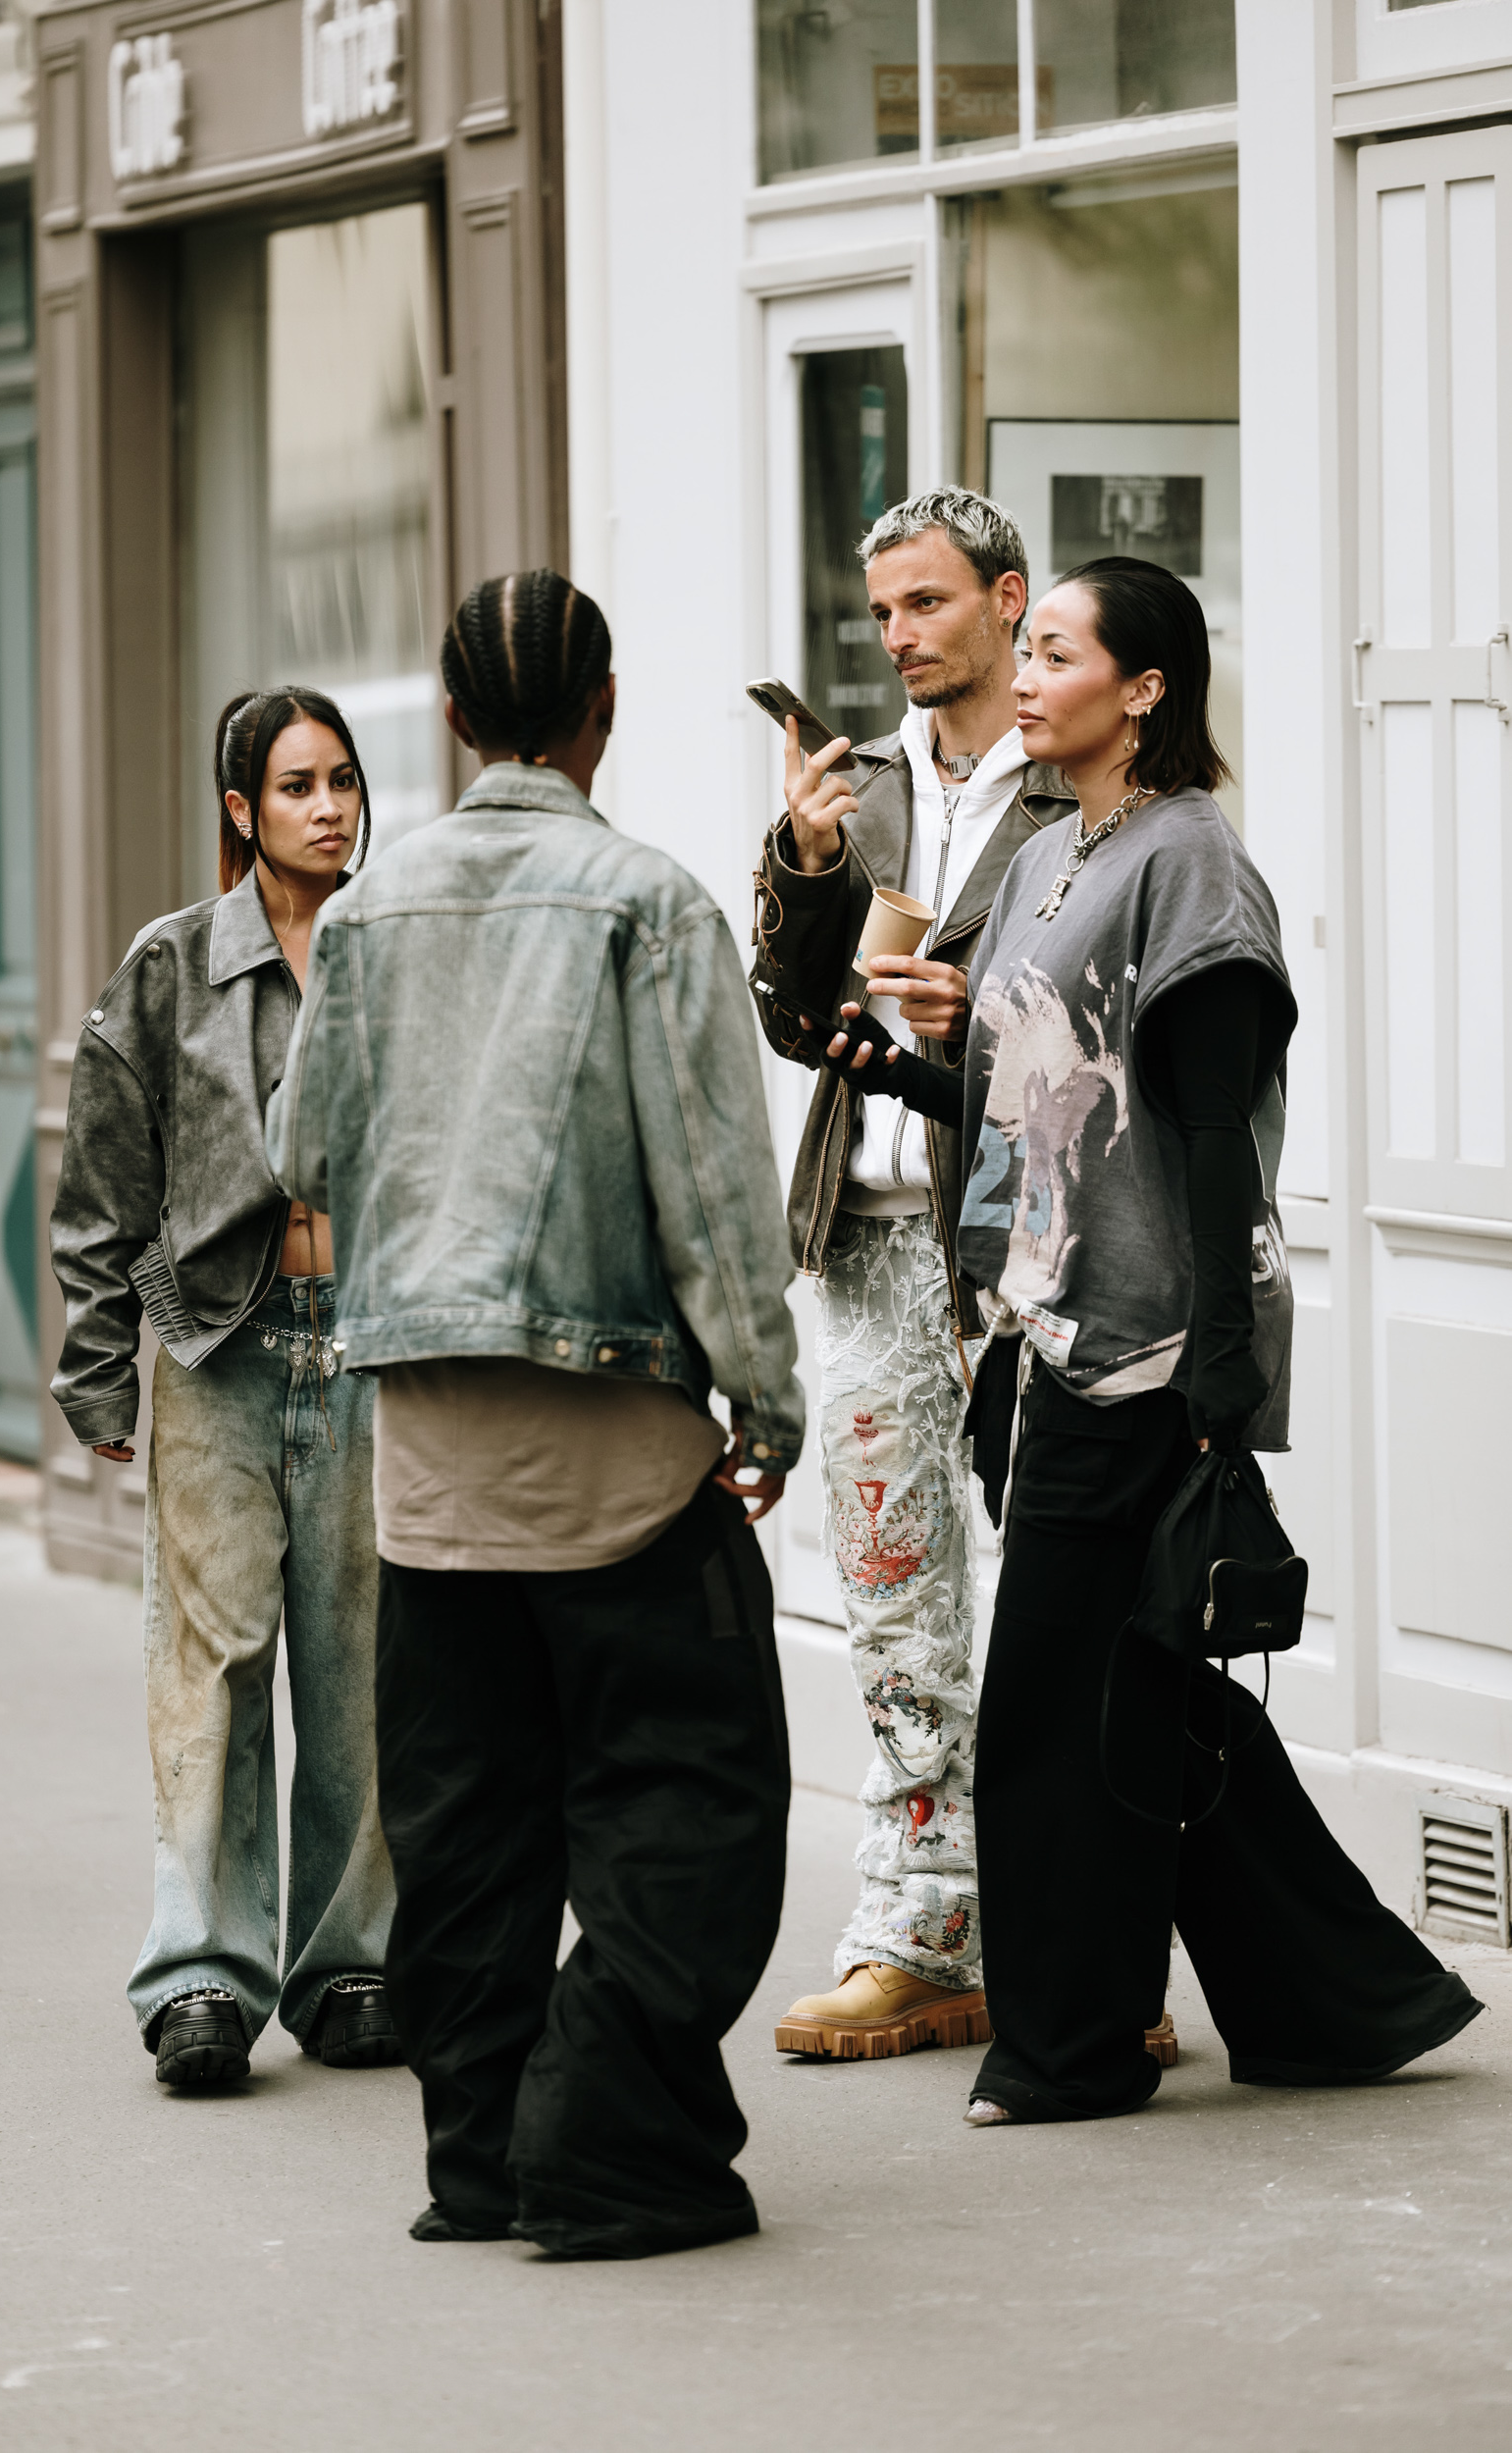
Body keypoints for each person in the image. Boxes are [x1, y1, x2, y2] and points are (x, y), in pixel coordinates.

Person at [806, 555, 1484, 2121]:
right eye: (1024, 653)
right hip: (1044, 1336)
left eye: (1054, 653)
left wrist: (1220, 1380)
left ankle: (1078, 2045)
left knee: (1052, 1703)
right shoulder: (1059, 856)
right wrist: (909, 1078)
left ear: (1147, 688)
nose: (1023, 679)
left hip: (1144, 1353)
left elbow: (1201, 1129)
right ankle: (1348, 1999)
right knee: (1146, 1693)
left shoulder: (1191, 865)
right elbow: (1049, 1106)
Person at [267, 569, 806, 2259]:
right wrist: (767, 1400)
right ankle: (606, 2133)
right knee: (688, 1807)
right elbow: (716, 1193)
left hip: (424, 1463)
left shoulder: (363, 913)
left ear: (448, 712)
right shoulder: (648, 902)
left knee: (468, 1827)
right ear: (606, 709)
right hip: (622, 1445)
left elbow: (302, 1159)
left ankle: (480, 2162)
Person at [750, 487, 1086, 2062]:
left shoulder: (1082, 785)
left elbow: (1124, 1017)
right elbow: (787, 1012)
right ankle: (916, 1922)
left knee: (1048, 1596)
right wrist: (811, 868)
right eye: (882, 608)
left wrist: (977, 1022)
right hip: (869, 1237)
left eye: (929, 603)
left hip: (1030, 1244)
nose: (899, 633)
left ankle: (1068, 1936)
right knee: (892, 1594)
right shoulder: (862, 783)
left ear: (1008, 601)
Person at [49, 688, 400, 2087]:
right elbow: (102, 1188)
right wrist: (98, 1371)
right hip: (219, 1351)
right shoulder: (172, 967)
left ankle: (352, 1963)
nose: (331, 809)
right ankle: (199, 1976)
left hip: (371, 1345)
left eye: (345, 782)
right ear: (243, 813)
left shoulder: (392, 953)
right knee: (214, 1666)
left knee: (361, 1664)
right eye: (300, 787)